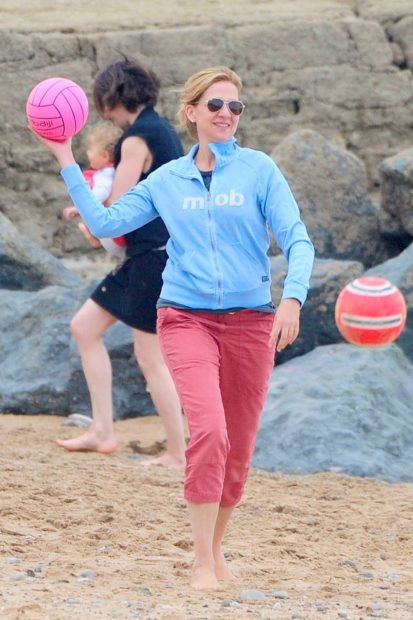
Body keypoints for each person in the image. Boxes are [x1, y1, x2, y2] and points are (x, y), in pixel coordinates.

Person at [33, 66, 315, 589]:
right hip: (185, 316)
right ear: (192, 113)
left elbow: (297, 240)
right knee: (207, 431)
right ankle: (202, 563)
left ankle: (216, 552)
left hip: (252, 321)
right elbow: (106, 223)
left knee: (238, 446)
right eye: (215, 106)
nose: (227, 114)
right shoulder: (166, 181)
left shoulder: (259, 171)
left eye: (235, 107)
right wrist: (65, 158)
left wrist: (292, 299)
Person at [56, 57, 187, 470]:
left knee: (151, 358)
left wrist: (93, 225)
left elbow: (118, 205)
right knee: (85, 327)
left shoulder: (136, 139)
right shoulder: (162, 129)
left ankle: (179, 453)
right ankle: (103, 431)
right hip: (154, 255)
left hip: (154, 258)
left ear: (111, 98)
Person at [66, 121, 126, 259]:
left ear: (104, 156)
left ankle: (95, 238)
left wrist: (79, 207)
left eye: (90, 149)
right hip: (115, 235)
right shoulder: (108, 171)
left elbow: (102, 192)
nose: (87, 153)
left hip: (113, 237)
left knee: (90, 216)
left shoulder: (108, 173)